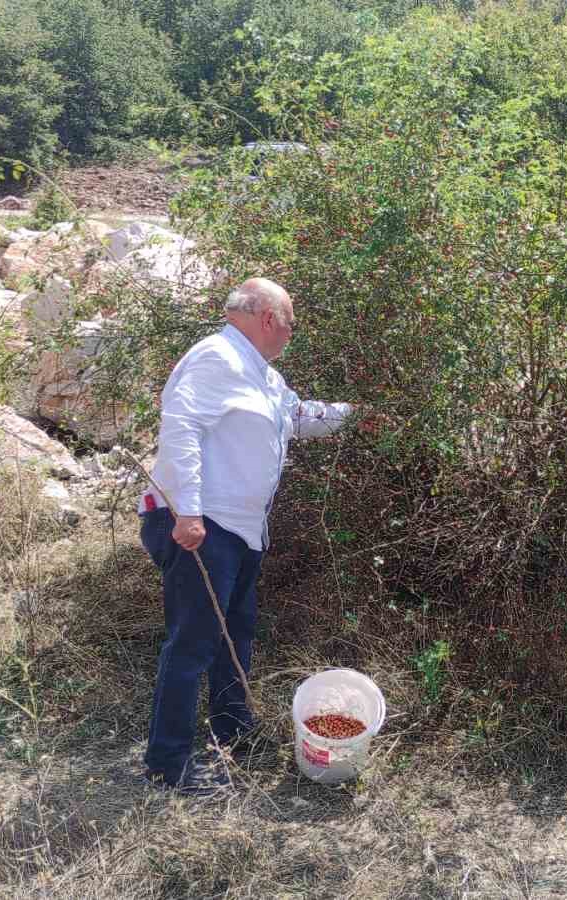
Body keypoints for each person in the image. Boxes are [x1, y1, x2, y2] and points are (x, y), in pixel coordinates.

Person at [137, 277, 361, 793]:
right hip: (202, 526)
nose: (290, 334)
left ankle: (233, 735)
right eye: (291, 324)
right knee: (192, 643)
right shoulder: (215, 358)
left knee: (233, 633)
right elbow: (181, 429)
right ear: (268, 319)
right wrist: (188, 513)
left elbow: (299, 416)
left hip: (238, 530)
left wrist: (356, 417)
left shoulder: (262, 375)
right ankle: (166, 766)